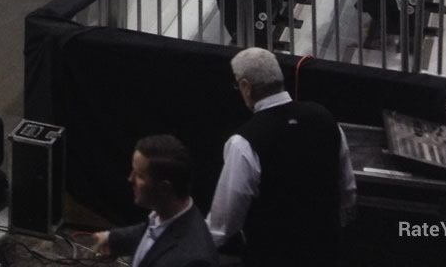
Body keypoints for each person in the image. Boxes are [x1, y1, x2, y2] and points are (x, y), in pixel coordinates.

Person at [208, 48, 355, 266]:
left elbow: (224, 225)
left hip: (271, 256)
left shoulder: (244, 143)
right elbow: (347, 191)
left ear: (246, 87)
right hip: (326, 251)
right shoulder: (325, 119)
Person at [86, 135, 218, 266]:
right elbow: (153, 233)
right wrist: (111, 238)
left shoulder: (193, 260)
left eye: (140, 175)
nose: (130, 179)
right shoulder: (167, 215)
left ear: (164, 188)